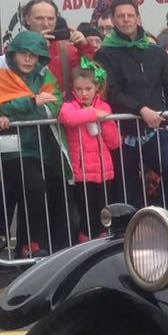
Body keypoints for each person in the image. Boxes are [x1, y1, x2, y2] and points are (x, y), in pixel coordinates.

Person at [95, 0, 168, 216]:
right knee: (127, 187)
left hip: (154, 130)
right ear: (114, 20)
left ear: (138, 18)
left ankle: (165, 220)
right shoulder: (105, 53)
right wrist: (140, 109)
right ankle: (131, 232)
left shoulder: (155, 52)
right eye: (121, 16)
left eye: (130, 15)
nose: (126, 20)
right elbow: (112, 92)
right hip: (122, 132)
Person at [0, 30, 67, 256]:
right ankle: (26, 243)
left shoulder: (46, 77)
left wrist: (17, 111)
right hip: (10, 149)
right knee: (33, 188)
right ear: (13, 54)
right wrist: (32, 101)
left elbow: (51, 110)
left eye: (34, 55)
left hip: (41, 148)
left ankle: (26, 247)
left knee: (30, 193)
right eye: (23, 54)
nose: (28, 59)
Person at [58, 65, 122, 240]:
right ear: (73, 89)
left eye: (88, 88)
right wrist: (94, 114)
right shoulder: (69, 106)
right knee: (85, 213)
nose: (83, 93)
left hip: (103, 171)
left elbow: (114, 142)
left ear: (97, 88)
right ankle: (85, 241)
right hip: (82, 172)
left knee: (103, 212)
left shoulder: (105, 107)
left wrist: (105, 122)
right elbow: (70, 118)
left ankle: (102, 241)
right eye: (79, 89)